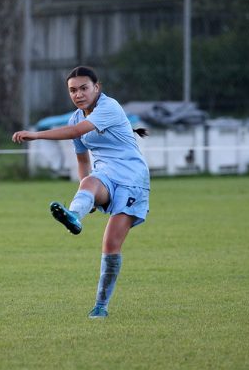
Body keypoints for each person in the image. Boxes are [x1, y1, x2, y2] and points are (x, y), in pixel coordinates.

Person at [12, 65, 150, 319]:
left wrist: (36, 135)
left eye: (84, 88)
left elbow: (77, 133)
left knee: (110, 245)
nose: (78, 94)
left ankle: (100, 306)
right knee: (87, 182)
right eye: (73, 90)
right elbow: (82, 162)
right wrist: (87, 199)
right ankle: (74, 216)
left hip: (132, 178)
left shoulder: (109, 107)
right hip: (105, 176)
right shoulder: (74, 117)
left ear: (97, 87)